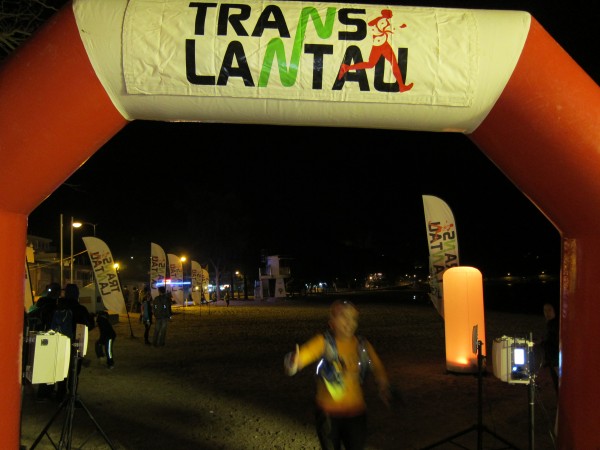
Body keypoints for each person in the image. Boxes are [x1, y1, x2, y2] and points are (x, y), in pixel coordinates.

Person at [284, 300, 391, 450]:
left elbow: (377, 366)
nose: (349, 323)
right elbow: (304, 355)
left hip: (356, 413)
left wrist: (383, 384)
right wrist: (294, 362)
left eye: (353, 318)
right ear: (331, 323)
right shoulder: (323, 342)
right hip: (328, 414)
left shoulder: (362, 345)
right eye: (344, 317)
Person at [337, 9, 414, 93]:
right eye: (390, 14)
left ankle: (401, 86)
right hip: (381, 45)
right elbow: (389, 29)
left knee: (385, 63)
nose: (391, 15)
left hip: (382, 44)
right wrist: (400, 26)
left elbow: (372, 24)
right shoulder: (382, 21)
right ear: (386, 14)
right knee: (374, 64)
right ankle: (346, 67)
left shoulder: (381, 20)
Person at [538, 302, 560, 393]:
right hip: (553, 361)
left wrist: (542, 343)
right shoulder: (552, 324)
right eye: (545, 310)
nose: (547, 313)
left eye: (549, 310)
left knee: (559, 385)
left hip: (555, 361)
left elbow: (554, 343)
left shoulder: (554, 325)